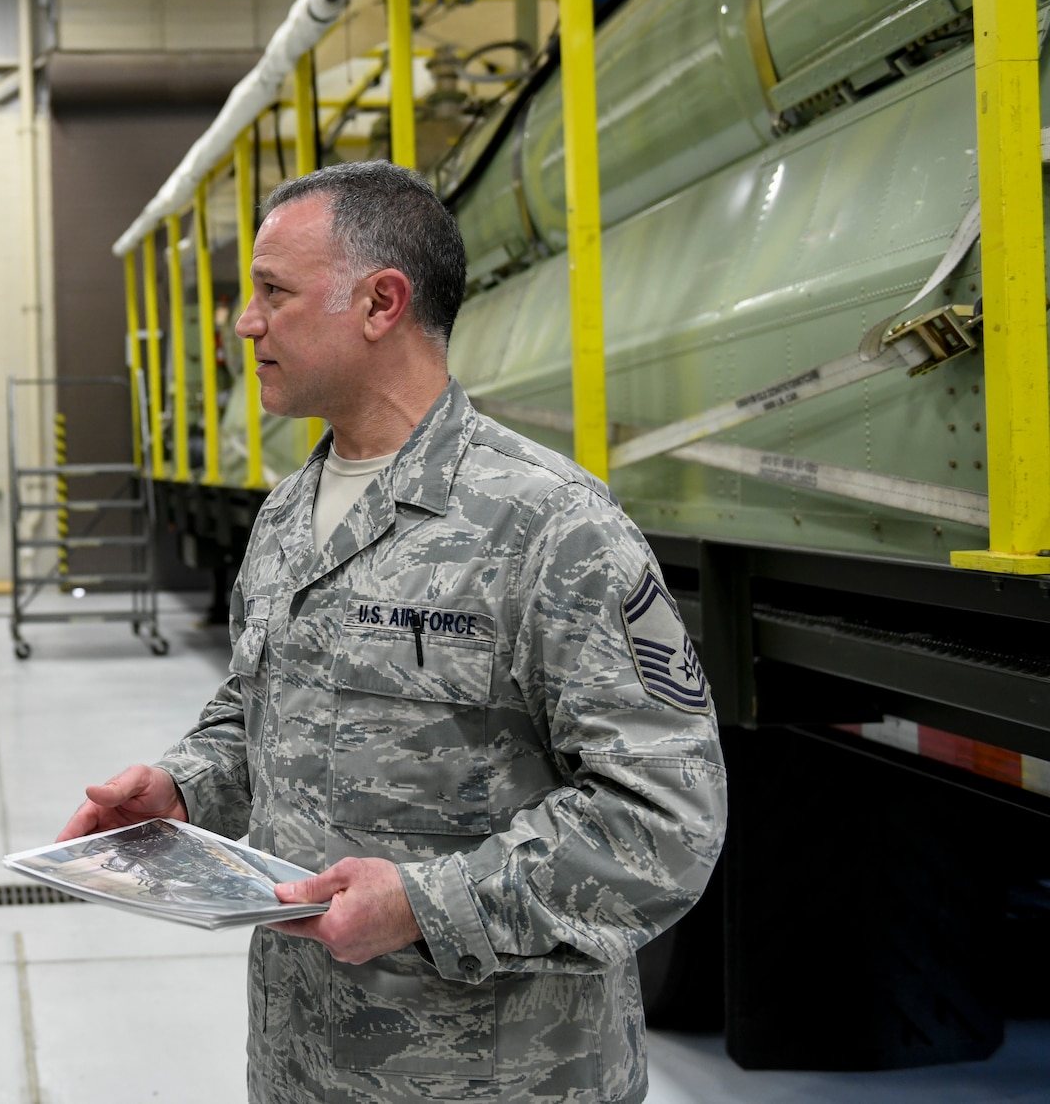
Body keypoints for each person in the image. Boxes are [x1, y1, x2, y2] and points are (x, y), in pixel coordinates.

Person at [59, 160, 726, 1104]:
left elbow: (665, 820)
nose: (245, 323)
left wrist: (423, 906)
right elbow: (262, 706)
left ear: (381, 304)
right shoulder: (289, 513)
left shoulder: (550, 527)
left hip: (492, 1076)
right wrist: (180, 785)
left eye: (273, 293)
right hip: (302, 1061)